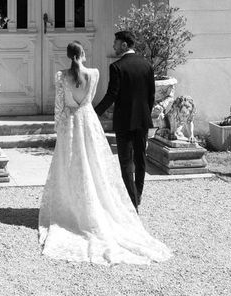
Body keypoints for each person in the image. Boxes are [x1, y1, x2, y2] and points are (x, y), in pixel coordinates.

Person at [38, 41, 171, 265]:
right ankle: (110, 201)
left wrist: (58, 126)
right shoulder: (95, 73)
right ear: (83, 53)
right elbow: (91, 101)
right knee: (95, 163)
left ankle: (73, 204)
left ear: (69, 55)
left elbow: (59, 106)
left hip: (71, 122)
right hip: (88, 121)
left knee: (70, 164)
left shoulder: (61, 76)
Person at [94, 30, 155, 210]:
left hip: (124, 121)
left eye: (116, 42)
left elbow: (111, 95)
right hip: (143, 120)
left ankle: (132, 200)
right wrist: (145, 114)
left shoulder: (117, 67)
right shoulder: (147, 65)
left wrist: (94, 111)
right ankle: (139, 194)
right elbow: (151, 96)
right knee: (140, 158)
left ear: (124, 45)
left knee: (126, 161)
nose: (113, 46)